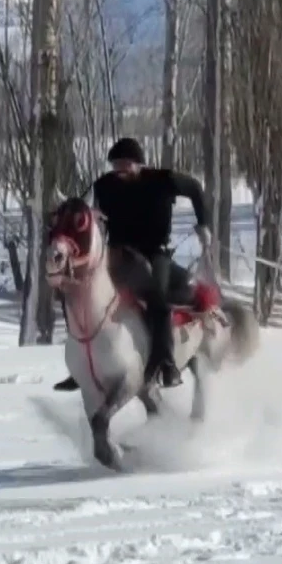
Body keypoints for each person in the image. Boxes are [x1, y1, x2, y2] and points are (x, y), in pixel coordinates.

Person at [92, 137, 212, 388]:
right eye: (116, 165)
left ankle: (165, 363)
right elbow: (98, 218)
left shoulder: (162, 180)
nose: (120, 170)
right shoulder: (103, 186)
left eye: (125, 164)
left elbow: (195, 189)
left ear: (139, 164)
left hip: (155, 253)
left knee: (157, 297)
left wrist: (203, 224)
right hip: (119, 253)